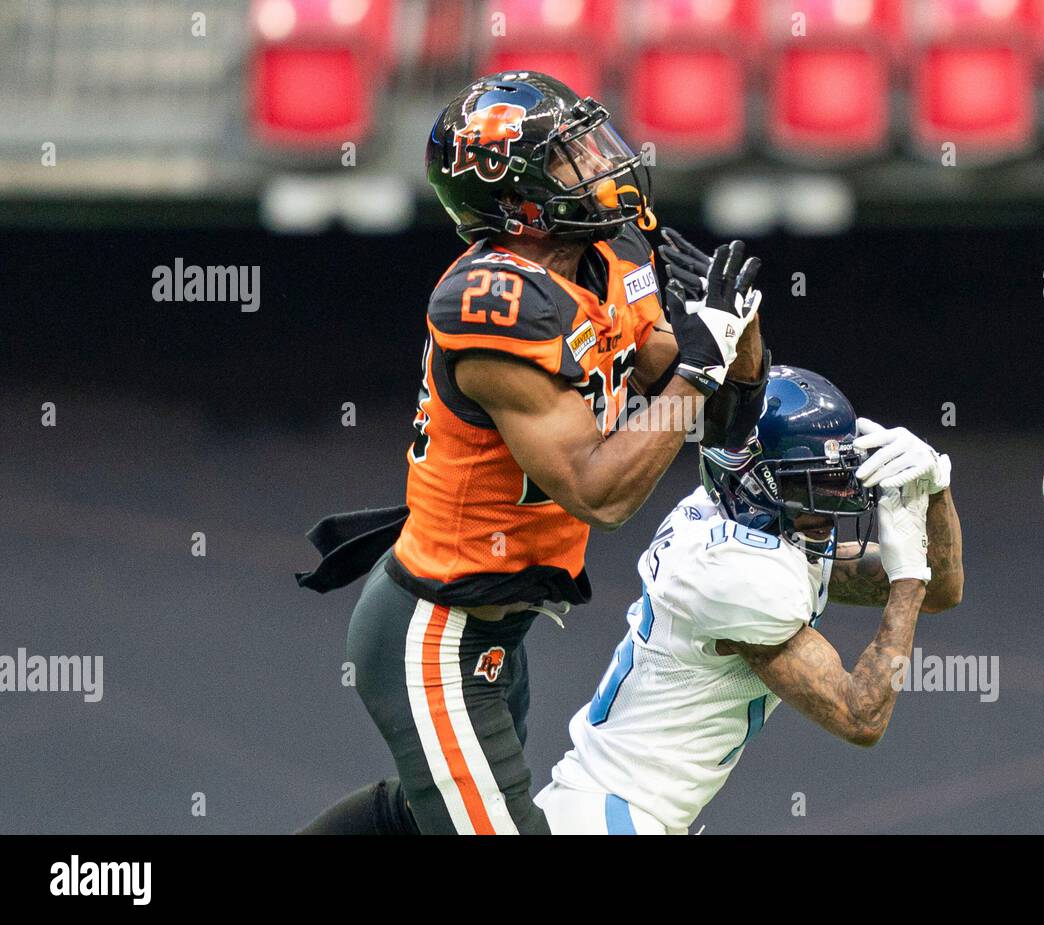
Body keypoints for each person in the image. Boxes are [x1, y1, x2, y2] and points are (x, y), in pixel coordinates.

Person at [295, 71, 771, 834]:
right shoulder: (493, 302)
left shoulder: (607, 255)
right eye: (569, 159)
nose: (599, 165)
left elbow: (716, 420)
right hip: (435, 631)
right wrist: (699, 370)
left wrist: (741, 348)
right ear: (515, 202)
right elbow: (598, 491)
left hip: (495, 631)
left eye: (589, 144)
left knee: (420, 820)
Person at [534, 366, 965, 834]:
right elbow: (862, 715)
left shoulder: (742, 526)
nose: (830, 504)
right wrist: (907, 579)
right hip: (613, 814)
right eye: (809, 486)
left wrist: (936, 488)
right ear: (750, 480)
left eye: (836, 482)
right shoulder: (739, 575)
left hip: (619, 807)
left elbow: (942, 590)